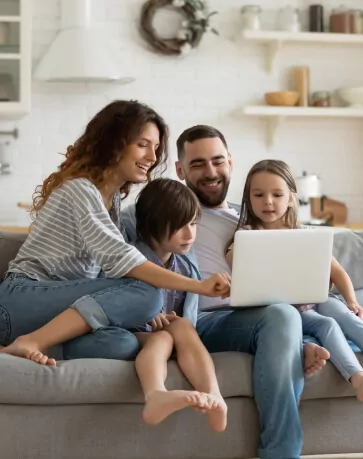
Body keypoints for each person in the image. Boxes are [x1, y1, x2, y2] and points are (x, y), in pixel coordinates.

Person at [122, 125, 330, 459]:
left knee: (284, 314)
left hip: (248, 316)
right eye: (198, 164)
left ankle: (281, 447)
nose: (211, 172)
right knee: (282, 318)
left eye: (218, 161)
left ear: (230, 162)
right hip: (195, 321)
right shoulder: (162, 212)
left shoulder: (252, 216)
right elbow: (116, 250)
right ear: (180, 170)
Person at [0, 102, 230, 368]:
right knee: (148, 293)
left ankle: (24, 344)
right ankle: (34, 341)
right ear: (114, 143)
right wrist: (198, 286)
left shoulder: (113, 205)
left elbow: (113, 271)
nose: (152, 157)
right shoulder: (80, 191)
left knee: (123, 343)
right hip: (22, 299)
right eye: (143, 144)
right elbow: (125, 262)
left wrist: (142, 312)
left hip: (55, 311)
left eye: (155, 148)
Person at [225, 159, 363, 402]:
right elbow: (237, 265)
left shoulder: (306, 234)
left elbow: (337, 272)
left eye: (277, 194)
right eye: (259, 195)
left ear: (290, 199)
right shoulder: (247, 236)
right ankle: (359, 379)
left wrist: (352, 301)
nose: (268, 201)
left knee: (345, 316)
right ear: (248, 199)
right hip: (286, 309)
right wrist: (238, 248)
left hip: (318, 297)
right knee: (326, 325)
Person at [131, 177, 227, 431]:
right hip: (133, 332)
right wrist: (146, 315)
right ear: (152, 226)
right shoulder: (132, 259)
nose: (190, 234)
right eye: (179, 226)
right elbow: (115, 302)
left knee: (183, 327)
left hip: (173, 332)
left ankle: (214, 396)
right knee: (163, 339)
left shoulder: (185, 265)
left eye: (193, 223)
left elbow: (188, 313)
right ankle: (156, 394)